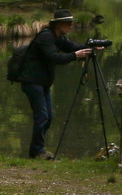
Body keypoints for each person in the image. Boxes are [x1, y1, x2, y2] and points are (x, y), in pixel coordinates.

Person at [21, 8, 93, 159]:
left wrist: (90, 48)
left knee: (49, 117)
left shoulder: (58, 37)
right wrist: (75, 56)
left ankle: (37, 150)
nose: (71, 26)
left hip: (43, 82)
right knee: (42, 117)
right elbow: (54, 58)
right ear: (58, 24)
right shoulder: (46, 37)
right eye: (68, 23)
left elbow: (74, 48)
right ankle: (37, 151)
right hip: (32, 81)